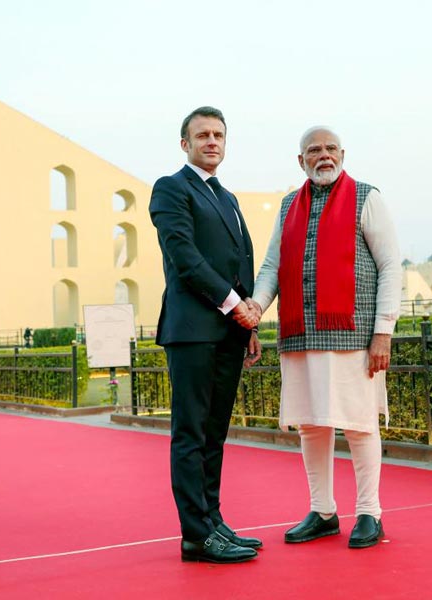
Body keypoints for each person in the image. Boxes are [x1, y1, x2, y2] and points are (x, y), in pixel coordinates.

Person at [245, 126, 401, 549]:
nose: (324, 156)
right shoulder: (287, 207)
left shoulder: (367, 198)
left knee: (360, 424)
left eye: (331, 148)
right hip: (300, 336)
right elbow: (272, 268)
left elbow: (390, 266)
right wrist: (257, 307)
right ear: (301, 161)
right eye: (314, 150)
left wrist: (383, 332)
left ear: (343, 153)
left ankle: (370, 513)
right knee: (311, 425)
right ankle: (323, 511)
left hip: (354, 335)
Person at [149, 106, 262, 564]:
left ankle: (213, 521)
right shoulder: (171, 189)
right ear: (185, 143)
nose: (211, 141)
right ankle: (195, 535)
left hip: (229, 333)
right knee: (191, 433)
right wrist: (238, 308)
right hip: (193, 331)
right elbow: (185, 258)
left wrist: (248, 322)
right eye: (202, 135)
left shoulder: (228, 197)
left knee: (214, 433)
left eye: (218, 134)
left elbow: (238, 262)